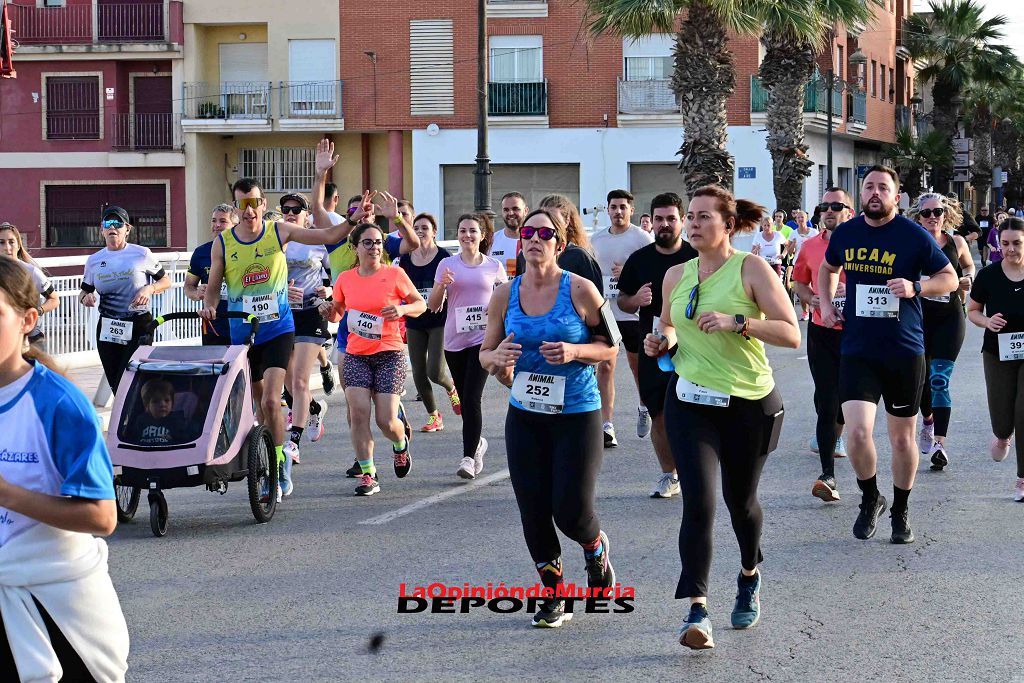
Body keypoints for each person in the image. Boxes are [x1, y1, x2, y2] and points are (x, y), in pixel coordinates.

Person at [644, 185, 799, 650]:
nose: (692, 223)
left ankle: (750, 572)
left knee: (741, 503)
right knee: (699, 502)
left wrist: (739, 323)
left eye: (703, 217)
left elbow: (791, 333)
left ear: (728, 226)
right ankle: (697, 608)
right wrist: (662, 342)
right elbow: (669, 325)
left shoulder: (751, 268)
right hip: (690, 401)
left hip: (749, 403)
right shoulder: (676, 275)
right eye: (689, 216)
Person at [479, 208, 618, 629]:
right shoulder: (505, 294)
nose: (535, 238)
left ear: (559, 242)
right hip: (525, 415)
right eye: (528, 232)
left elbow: (610, 346)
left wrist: (577, 352)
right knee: (533, 509)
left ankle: (595, 551)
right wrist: (496, 358)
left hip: (576, 412)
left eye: (545, 232)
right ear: (520, 241)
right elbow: (486, 353)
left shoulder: (581, 289)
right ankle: (554, 592)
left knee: (571, 510)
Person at [200, 139, 357, 502]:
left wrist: (350, 217)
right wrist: (209, 306)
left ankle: (279, 460)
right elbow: (212, 287)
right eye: (243, 205)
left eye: (255, 203)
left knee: (272, 401)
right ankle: (264, 455)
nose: (250, 210)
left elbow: (329, 235)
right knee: (255, 406)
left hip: (277, 328)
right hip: (241, 334)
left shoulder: (279, 232)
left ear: (263, 204)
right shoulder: (223, 243)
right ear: (237, 210)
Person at [0, 258, 129, 681]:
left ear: (27, 320)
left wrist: (8, 495)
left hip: (57, 610)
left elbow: (102, 516)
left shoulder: (58, 403)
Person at [818, 165, 958, 545]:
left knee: (901, 439)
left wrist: (916, 286)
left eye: (883, 187)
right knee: (859, 433)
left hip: (904, 350)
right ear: (861, 196)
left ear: (897, 197)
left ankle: (901, 508)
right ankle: (870, 498)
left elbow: (949, 277)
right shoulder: (846, 233)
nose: (875, 193)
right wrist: (827, 305)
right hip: (858, 349)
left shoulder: (912, 235)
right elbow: (828, 268)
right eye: (869, 187)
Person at [329, 222, 426, 495]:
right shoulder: (345, 279)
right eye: (368, 242)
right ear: (356, 247)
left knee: (386, 420)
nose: (374, 247)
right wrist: (327, 309)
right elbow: (337, 314)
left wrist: (402, 308)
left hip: (389, 354)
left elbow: (421, 304)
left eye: (378, 242)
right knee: (358, 414)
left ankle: (400, 444)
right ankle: (368, 474)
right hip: (357, 355)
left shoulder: (395, 274)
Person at [617, 193, 697, 498]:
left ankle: (694, 469)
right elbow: (622, 300)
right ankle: (669, 474)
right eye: (659, 219)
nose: (665, 224)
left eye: (671, 219)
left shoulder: (695, 257)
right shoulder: (640, 259)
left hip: (693, 345)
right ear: (651, 221)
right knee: (659, 412)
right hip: (653, 346)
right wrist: (635, 300)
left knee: (693, 410)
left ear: (682, 221)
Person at [428, 213, 507, 479]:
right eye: (462, 231)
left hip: (483, 341)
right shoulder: (446, 265)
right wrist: (442, 285)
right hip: (454, 340)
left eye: (473, 231)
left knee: (472, 397)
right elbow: (433, 305)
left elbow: (504, 303)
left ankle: (468, 458)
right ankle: (478, 443)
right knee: (465, 398)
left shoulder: (494, 266)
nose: (467, 236)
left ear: (482, 235)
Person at [793, 189, 852, 502]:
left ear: (849, 212)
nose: (829, 211)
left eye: (837, 206)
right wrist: (810, 297)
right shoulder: (810, 246)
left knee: (845, 397)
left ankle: (834, 436)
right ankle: (828, 474)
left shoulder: (863, 243)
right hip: (821, 331)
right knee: (827, 399)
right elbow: (799, 282)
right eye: (824, 206)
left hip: (856, 333)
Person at [908, 193, 974, 471]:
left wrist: (968, 277)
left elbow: (969, 265)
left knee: (939, 379)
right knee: (921, 379)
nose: (933, 217)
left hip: (950, 318)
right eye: (927, 213)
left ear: (945, 215)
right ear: (918, 217)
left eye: (938, 212)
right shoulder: (911, 243)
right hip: (918, 318)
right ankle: (928, 420)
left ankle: (940, 445)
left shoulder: (956, 242)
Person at [80, 206, 172, 394]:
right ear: (102, 229)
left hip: (138, 324)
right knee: (116, 381)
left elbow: (165, 280)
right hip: (108, 326)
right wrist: (86, 298)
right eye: (108, 223)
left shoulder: (141, 254)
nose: (113, 227)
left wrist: (150, 288)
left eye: (118, 223)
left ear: (127, 229)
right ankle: (124, 421)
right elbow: (83, 292)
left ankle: (136, 418)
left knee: (132, 377)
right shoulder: (94, 260)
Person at [590, 189, 654, 445]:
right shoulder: (596, 240)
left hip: (633, 312)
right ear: (607, 210)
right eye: (614, 207)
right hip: (606, 311)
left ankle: (643, 407)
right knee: (605, 366)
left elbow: (653, 272)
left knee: (637, 366)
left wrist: (628, 274)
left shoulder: (642, 238)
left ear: (631, 210)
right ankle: (607, 425)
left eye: (622, 207)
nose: (618, 211)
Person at [968, 217, 1024, 501]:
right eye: (1005, 244)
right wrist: (987, 322)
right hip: (997, 352)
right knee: (1003, 415)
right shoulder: (988, 275)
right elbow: (973, 310)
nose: (1011, 249)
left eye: (1017, 243)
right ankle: (1003, 435)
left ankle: (1022, 479)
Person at [280, 193, 332, 465]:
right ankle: (314, 408)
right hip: (282, 313)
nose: (290, 213)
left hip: (312, 311)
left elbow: (339, 273)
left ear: (307, 215)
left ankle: (294, 442)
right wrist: (280, 290)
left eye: (296, 209)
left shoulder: (318, 242)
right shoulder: (276, 241)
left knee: (300, 380)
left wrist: (330, 289)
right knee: (289, 382)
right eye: (286, 209)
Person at [399, 213, 459, 432]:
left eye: (425, 227)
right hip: (414, 320)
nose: (421, 231)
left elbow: (454, 286)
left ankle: (452, 387)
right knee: (417, 373)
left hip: (438, 320)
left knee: (434, 371)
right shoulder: (406, 259)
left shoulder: (443, 257)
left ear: (434, 232)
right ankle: (434, 415)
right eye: (416, 228)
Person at [516, 195, 604, 297]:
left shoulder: (579, 257)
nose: (549, 223)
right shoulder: (525, 256)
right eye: (545, 218)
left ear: (567, 221)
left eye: (554, 220)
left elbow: (597, 303)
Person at [0, 223, 59, 353]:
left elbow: (54, 299)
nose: (7, 247)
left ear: (19, 245)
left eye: (11, 242)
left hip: (30, 340)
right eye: (1, 242)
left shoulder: (31, 271)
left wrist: (39, 311)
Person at [185, 205, 237, 345]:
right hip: (213, 324)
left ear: (235, 225)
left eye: (223, 221)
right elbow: (188, 286)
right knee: (214, 366)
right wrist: (197, 293)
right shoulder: (201, 252)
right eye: (214, 221)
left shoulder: (246, 249)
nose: (217, 225)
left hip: (242, 321)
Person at [129, 379, 186, 447]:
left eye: (167, 400)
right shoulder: (141, 420)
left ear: (172, 403)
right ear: (147, 405)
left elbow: (183, 442)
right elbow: (133, 440)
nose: (162, 404)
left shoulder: (176, 420)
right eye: (156, 401)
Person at [787, 217, 819, 321]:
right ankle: (805, 311)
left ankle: (815, 309)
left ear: (806, 220)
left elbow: (820, 244)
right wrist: (793, 243)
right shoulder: (793, 233)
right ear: (796, 221)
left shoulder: (814, 232)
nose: (800, 219)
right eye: (798, 218)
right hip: (799, 263)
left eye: (802, 217)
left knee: (815, 287)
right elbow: (789, 252)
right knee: (801, 289)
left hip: (813, 262)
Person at [491, 192, 526, 278]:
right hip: (500, 291)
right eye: (506, 210)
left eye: (515, 209)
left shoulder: (535, 239)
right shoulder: (491, 240)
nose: (510, 213)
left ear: (526, 211)